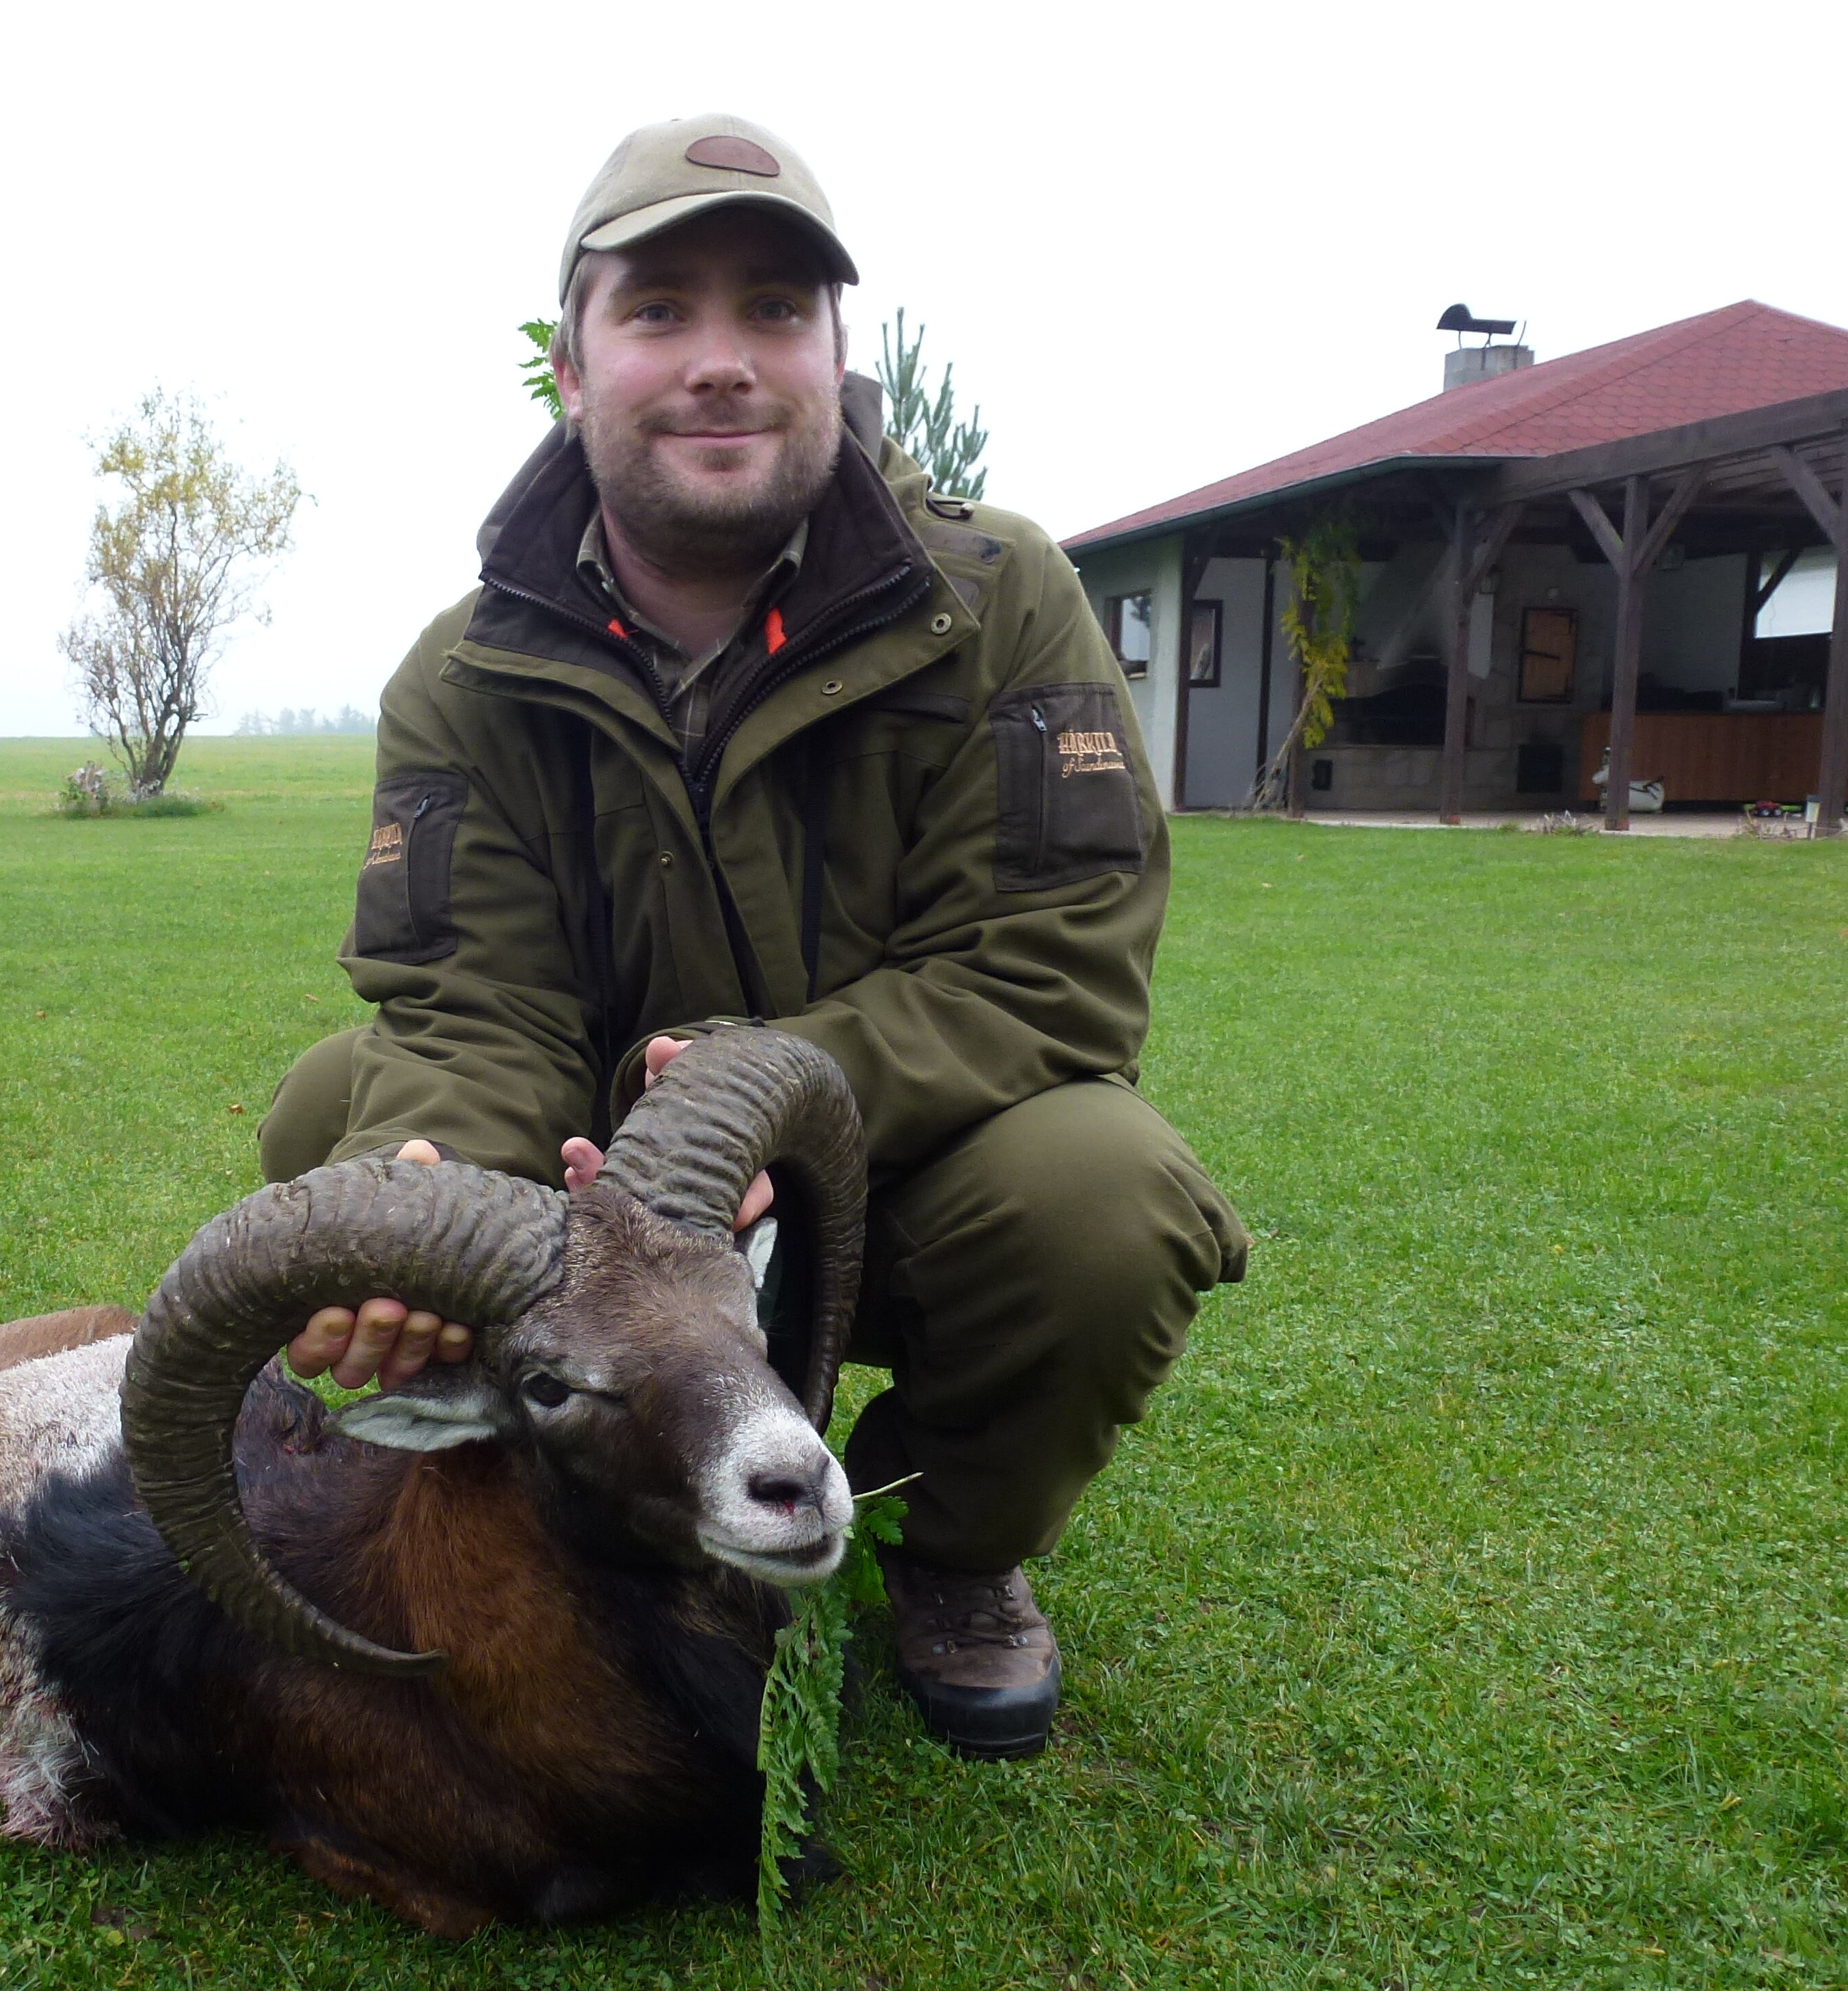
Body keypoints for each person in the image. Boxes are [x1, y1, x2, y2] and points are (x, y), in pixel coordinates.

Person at [263, 112, 1246, 1759]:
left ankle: (954, 1560)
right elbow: (468, 997)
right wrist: (423, 1177)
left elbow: (1053, 963)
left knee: (1107, 1201)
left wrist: (767, 1089)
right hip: (598, 1203)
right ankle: (577, 1536)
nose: (721, 360)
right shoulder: (465, 670)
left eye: (774, 310)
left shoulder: (999, 600)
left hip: (896, 1180)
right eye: (659, 312)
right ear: (571, 369)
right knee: (336, 1123)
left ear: (836, 354)